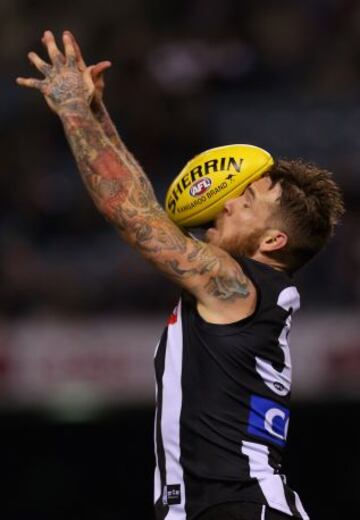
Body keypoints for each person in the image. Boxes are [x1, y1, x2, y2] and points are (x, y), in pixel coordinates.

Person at [17, 31, 344, 520]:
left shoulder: (236, 284)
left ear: (272, 242)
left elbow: (134, 216)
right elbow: (145, 208)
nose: (228, 200)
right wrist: (98, 114)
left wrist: (74, 113)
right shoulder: (248, 295)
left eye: (247, 201)